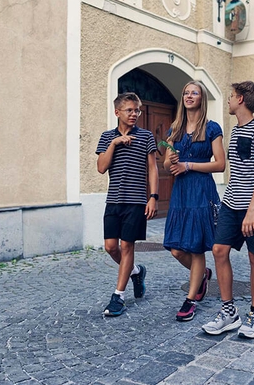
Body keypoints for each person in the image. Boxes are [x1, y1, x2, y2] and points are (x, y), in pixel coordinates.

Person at [201, 81, 254, 339]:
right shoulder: (235, 130)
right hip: (232, 203)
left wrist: (252, 210)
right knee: (218, 250)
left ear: (241, 99)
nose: (229, 100)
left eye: (231, 96)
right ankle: (229, 312)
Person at [163, 80, 226, 322]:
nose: (189, 96)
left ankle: (190, 301)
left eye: (195, 93)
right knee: (177, 249)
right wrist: (172, 161)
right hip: (180, 193)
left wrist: (188, 164)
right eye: (186, 92)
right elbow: (168, 164)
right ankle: (202, 275)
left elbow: (220, 164)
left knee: (196, 246)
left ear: (202, 98)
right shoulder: (174, 129)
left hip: (201, 191)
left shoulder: (212, 128)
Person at [96, 92, 159, 316]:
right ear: (117, 112)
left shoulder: (146, 136)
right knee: (111, 247)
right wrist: (114, 143)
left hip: (135, 201)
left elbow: (152, 167)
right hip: (113, 200)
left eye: (137, 110)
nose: (134, 114)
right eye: (130, 110)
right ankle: (135, 272)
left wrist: (153, 196)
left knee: (127, 246)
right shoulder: (106, 137)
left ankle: (118, 297)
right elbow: (101, 167)